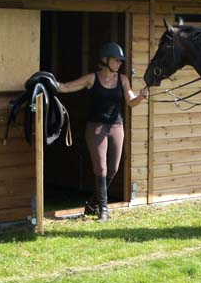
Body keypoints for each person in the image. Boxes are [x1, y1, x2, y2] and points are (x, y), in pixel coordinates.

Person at [56, 42, 148, 221]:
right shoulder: (92, 78)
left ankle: (92, 203)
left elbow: (131, 101)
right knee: (101, 168)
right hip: (96, 128)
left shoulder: (123, 80)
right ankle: (103, 210)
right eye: (117, 60)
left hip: (116, 127)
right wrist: (50, 82)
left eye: (121, 61)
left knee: (113, 168)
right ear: (105, 60)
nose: (120, 63)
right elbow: (66, 87)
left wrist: (142, 97)